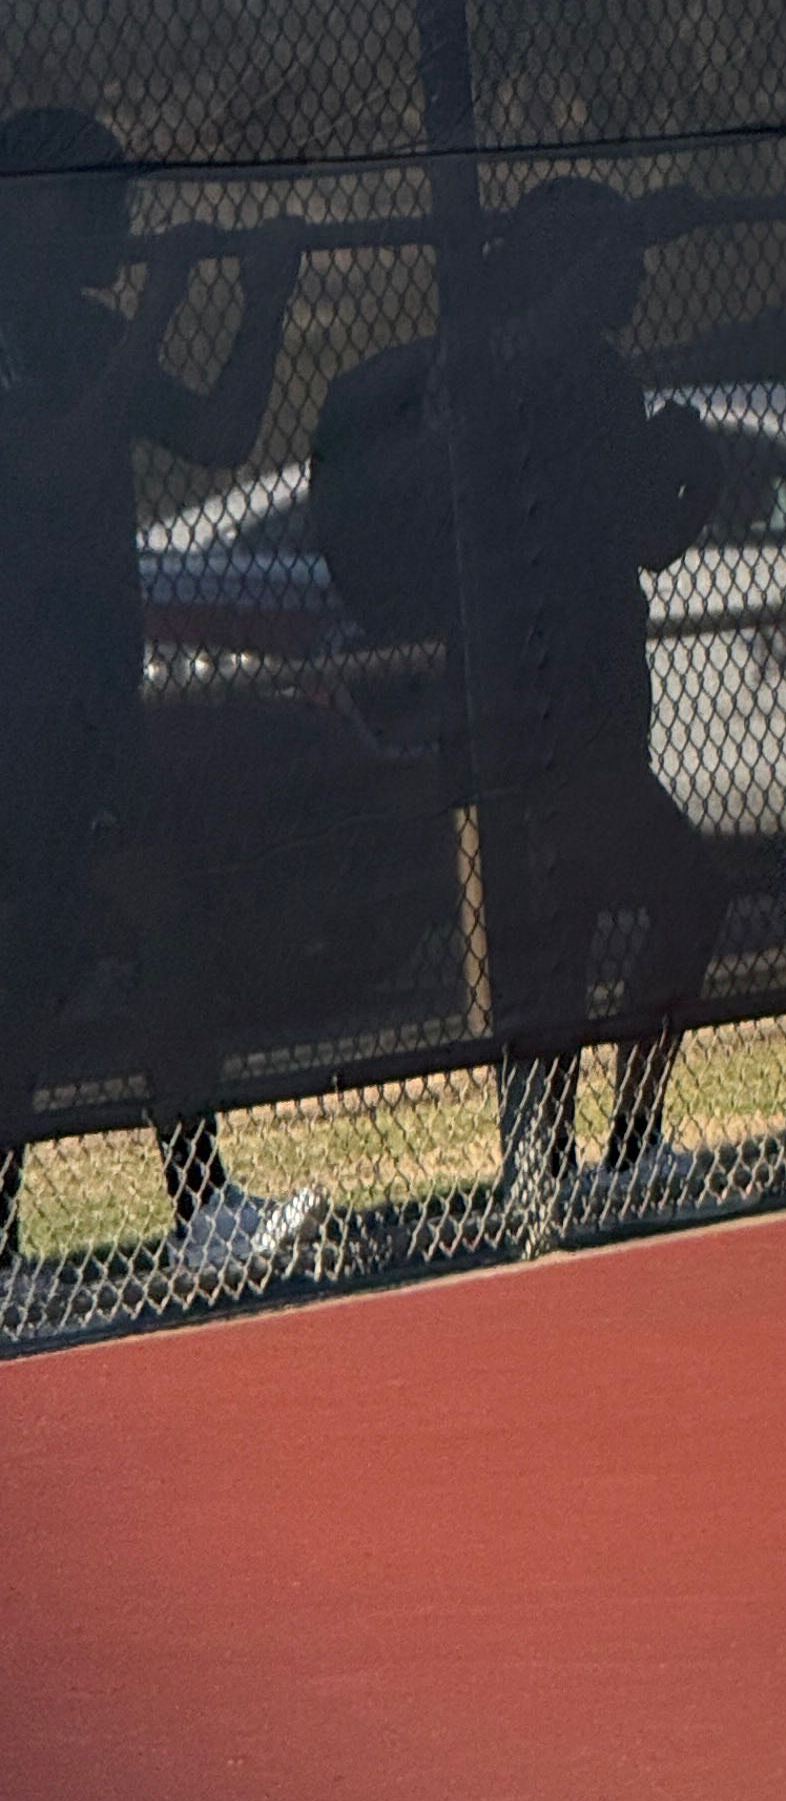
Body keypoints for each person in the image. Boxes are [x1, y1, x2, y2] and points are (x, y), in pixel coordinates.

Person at [311, 179, 727, 1240]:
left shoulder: (594, 373)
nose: (636, 278)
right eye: (618, 257)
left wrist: (695, 475)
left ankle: (578, 1156)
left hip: (597, 688)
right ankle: (582, 1152)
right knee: (650, 901)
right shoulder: (504, 371)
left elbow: (642, 536)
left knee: (578, 927)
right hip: (533, 702)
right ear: (574, 265)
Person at [0, 109, 315, 1275]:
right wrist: (165, 300)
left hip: (93, 699)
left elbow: (221, 435)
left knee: (163, 926)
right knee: (31, 969)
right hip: (17, 708)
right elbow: (52, 463)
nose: (113, 222)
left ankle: (201, 1205)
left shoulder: (85, 328)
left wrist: (263, 300)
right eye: (91, 198)